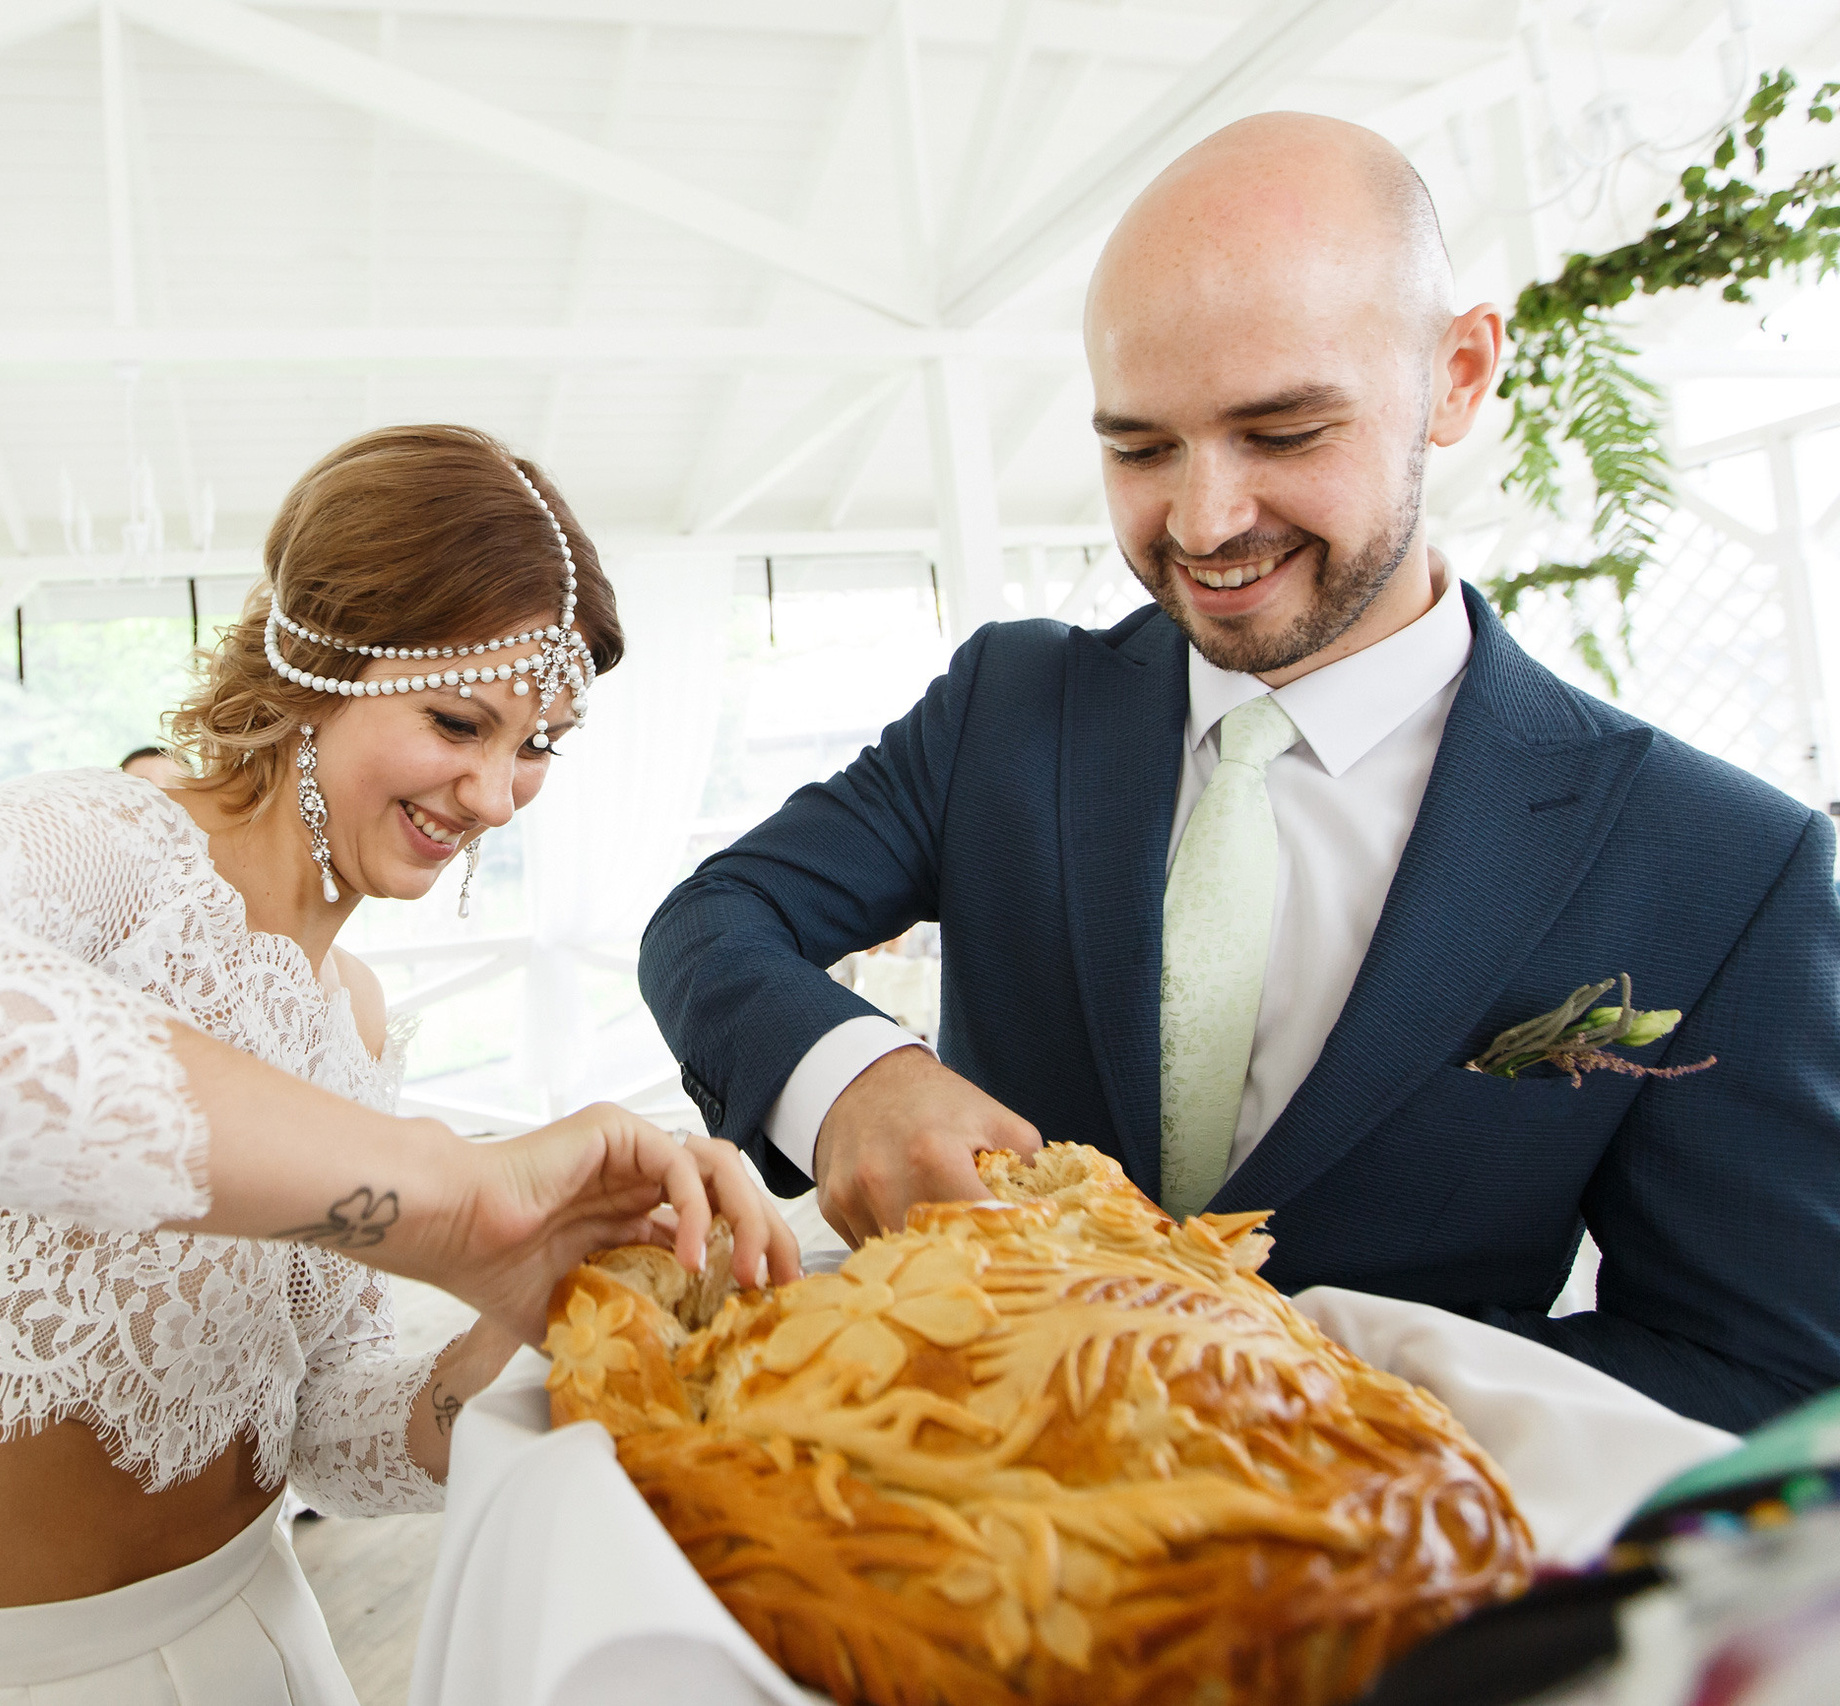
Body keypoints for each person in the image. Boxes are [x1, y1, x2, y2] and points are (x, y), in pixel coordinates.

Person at [640, 113, 1840, 1434]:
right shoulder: (1007, 706)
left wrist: (1310, 1376)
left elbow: (1758, 1369)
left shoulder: (1722, 864)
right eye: (1140, 448)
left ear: (1455, 376)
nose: (1204, 522)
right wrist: (851, 1078)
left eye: (1282, 432)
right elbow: (713, 918)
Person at [0, 423, 797, 1706]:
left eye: (539, 742)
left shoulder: (358, 1016)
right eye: (460, 720)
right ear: (315, 660)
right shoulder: (115, 855)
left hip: (270, 1650)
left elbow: (323, 1434)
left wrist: (527, 1320)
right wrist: (447, 1195)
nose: (498, 794)